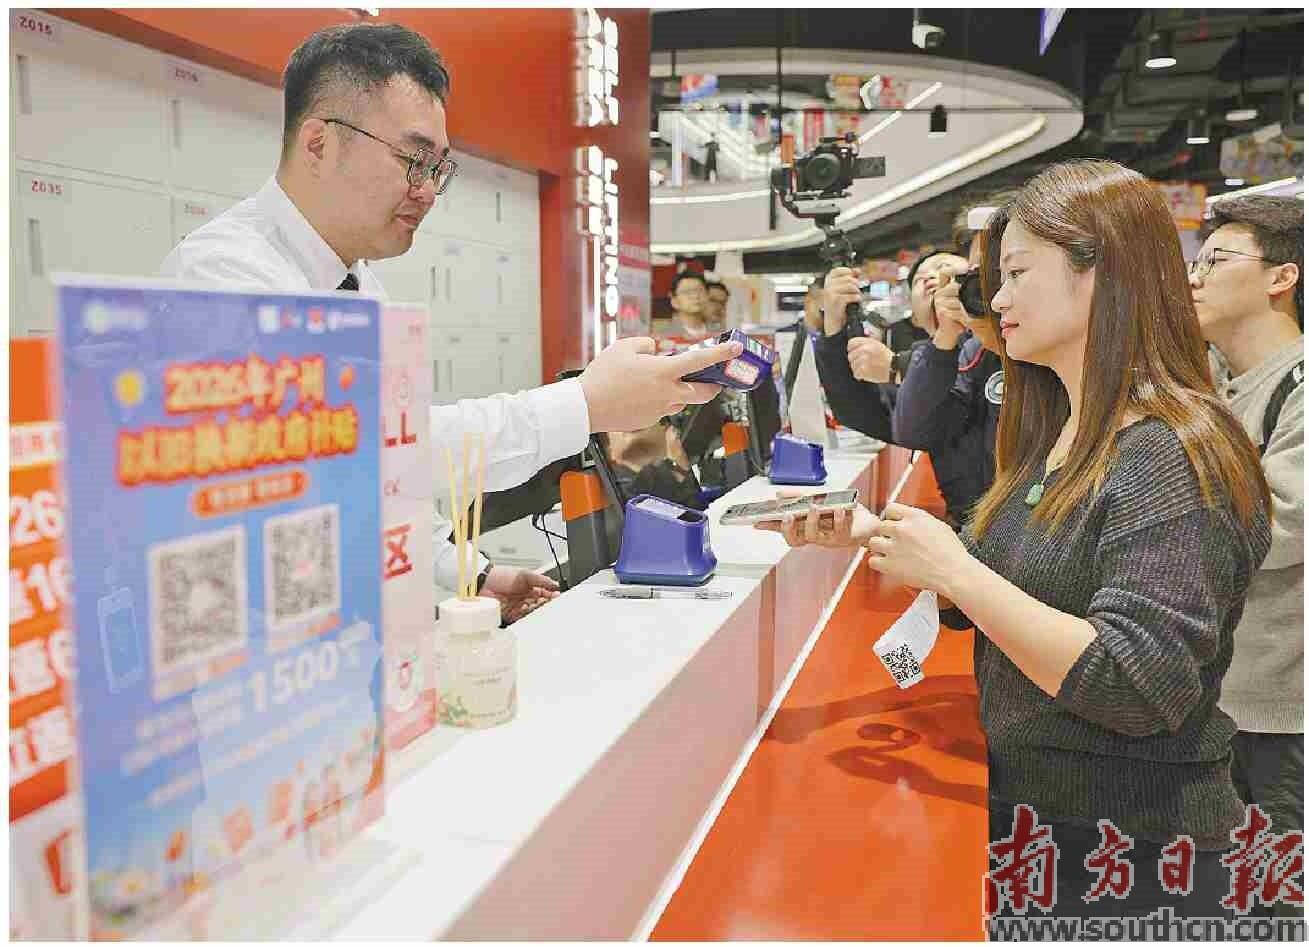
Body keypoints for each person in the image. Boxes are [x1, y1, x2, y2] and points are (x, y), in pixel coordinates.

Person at [765, 159, 1273, 920]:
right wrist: (881, 536)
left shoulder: (1168, 451)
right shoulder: (1061, 428)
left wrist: (957, 574)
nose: (995, 298)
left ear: (1102, 272)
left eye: (1015, 273)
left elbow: (1138, 686)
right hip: (1041, 823)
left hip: (1132, 861)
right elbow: (1031, 584)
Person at [158, 23, 739, 621]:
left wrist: (468, 571)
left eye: (437, 168)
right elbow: (354, 454)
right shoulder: (225, 277)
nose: (428, 191)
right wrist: (585, 404)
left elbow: (388, 481)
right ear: (317, 143)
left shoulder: (358, 286)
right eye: (414, 160)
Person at [1191, 194, 1304, 906]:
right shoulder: (1215, 384)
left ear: (1280, 277)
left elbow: (1284, 519)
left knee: (1277, 903)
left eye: (1215, 260)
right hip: (1220, 698)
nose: (1195, 276)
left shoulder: (1297, 385)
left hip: (1280, 715)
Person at [663, 271, 714, 341]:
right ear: (674, 300)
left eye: (699, 290)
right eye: (687, 291)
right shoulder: (665, 337)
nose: (695, 296)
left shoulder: (720, 333)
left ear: (708, 295)